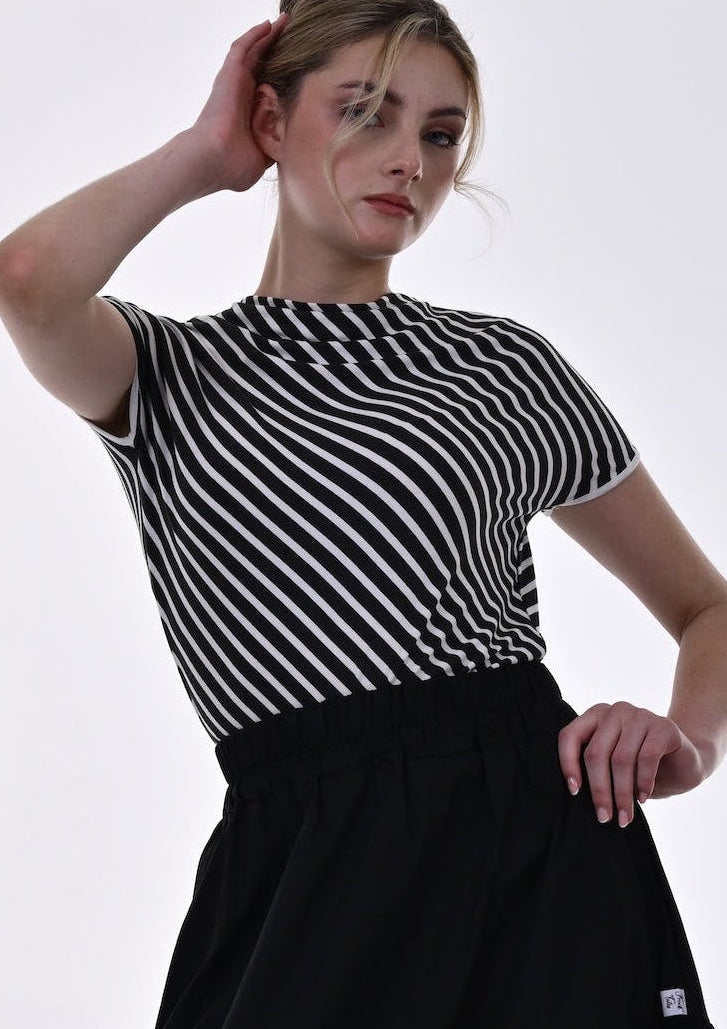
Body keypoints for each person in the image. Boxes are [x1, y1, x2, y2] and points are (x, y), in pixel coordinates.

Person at [0, 1, 723, 1025]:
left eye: (437, 133)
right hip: (298, 856)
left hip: (527, 839)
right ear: (271, 123)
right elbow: (27, 283)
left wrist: (687, 740)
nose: (409, 162)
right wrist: (206, 153)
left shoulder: (501, 368)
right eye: (363, 113)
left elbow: (707, 607)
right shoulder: (172, 375)